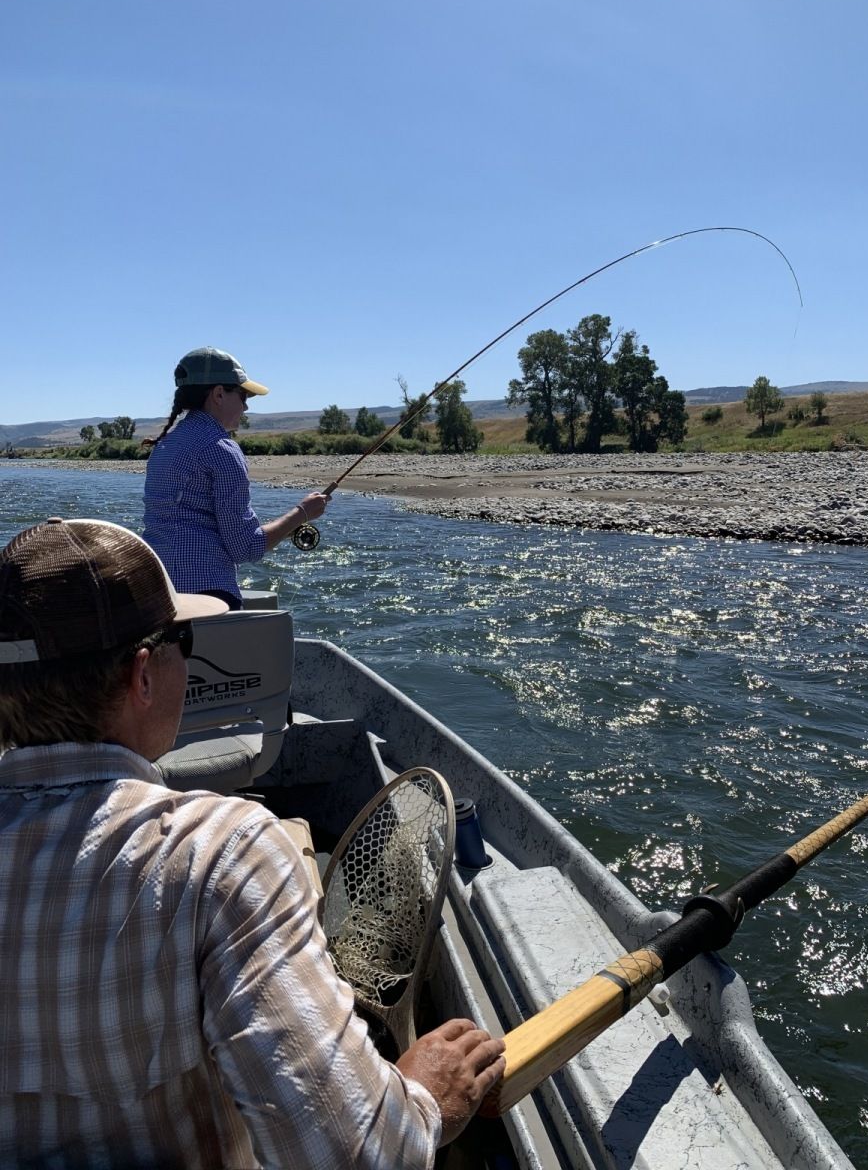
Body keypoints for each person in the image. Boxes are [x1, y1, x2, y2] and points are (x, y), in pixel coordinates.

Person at [0, 517, 506, 1168]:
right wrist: (423, 1100)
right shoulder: (224, 853)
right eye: (181, 636)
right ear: (143, 675)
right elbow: (358, 1157)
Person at [143, 346, 330, 609]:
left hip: (158, 593)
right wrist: (303, 513)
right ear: (219, 394)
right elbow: (246, 547)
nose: (246, 405)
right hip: (206, 597)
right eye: (242, 395)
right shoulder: (220, 449)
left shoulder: (165, 446)